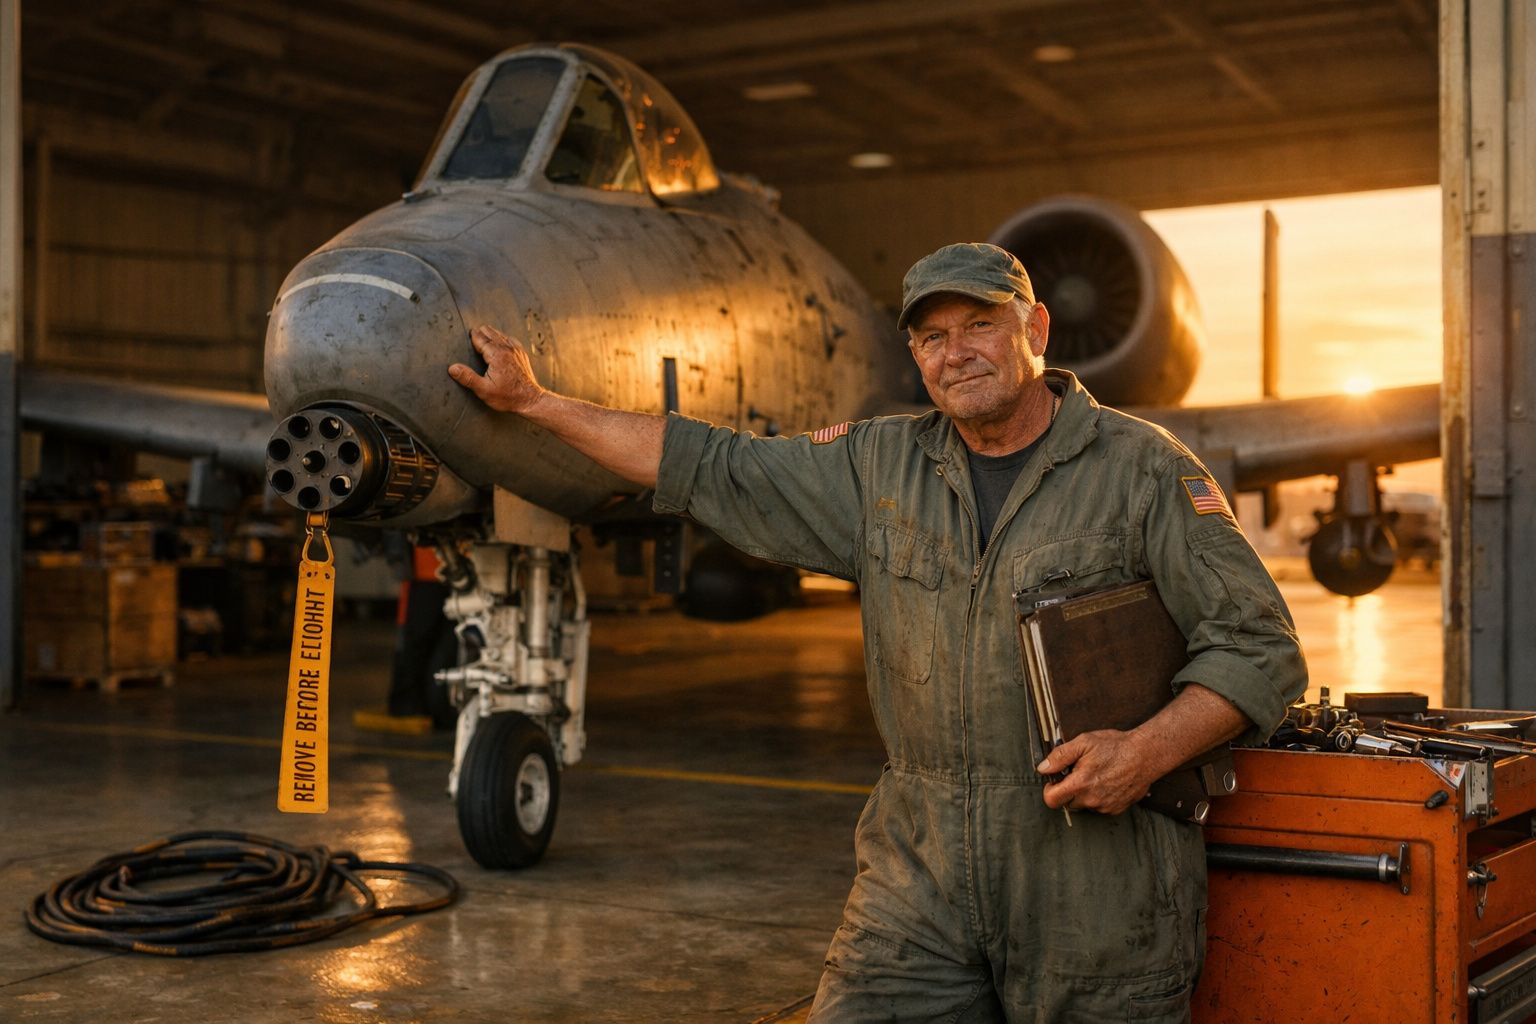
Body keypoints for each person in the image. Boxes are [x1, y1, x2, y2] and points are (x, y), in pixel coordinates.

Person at [448, 242, 1307, 1022]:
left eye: (980, 324)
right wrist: (536, 403)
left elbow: (1259, 645)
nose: (956, 351)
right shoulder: (874, 465)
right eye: (932, 338)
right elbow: (708, 465)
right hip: (920, 869)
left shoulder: (1145, 468)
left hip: (1099, 882)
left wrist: (1147, 753)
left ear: (1035, 327)